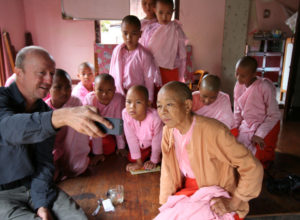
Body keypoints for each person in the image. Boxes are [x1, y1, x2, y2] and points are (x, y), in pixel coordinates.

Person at [0, 46, 111, 220]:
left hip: (37, 186)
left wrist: (41, 204)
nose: (48, 80)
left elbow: (44, 161)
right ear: (19, 73)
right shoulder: (3, 99)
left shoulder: (44, 110)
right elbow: (8, 128)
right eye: (41, 73)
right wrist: (61, 116)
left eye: (51, 73)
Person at [156, 81, 263, 219]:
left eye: (169, 105)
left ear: (188, 105)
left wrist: (234, 203)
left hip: (216, 194)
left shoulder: (213, 131)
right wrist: (165, 205)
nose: (163, 112)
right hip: (188, 192)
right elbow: (168, 171)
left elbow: (253, 167)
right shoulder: (168, 132)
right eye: (159, 106)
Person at [234, 56, 281, 168]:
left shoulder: (264, 86)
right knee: (235, 148)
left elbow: (274, 114)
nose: (239, 79)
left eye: (243, 76)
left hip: (262, 124)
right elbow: (237, 109)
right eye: (237, 74)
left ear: (254, 74)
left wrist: (259, 134)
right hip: (246, 125)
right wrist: (234, 127)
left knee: (254, 158)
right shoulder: (238, 86)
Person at [45, 69, 90, 180]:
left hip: (72, 148)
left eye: (68, 87)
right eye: (58, 87)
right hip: (53, 148)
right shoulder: (44, 109)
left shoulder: (75, 102)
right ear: (48, 89)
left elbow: (78, 134)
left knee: (79, 166)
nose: (64, 92)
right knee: (49, 174)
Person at [109, 15, 161, 103]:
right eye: (125, 33)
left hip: (137, 96)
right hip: (119, 94)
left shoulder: (145, 55)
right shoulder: (117, 51)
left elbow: (149, 79)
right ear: (121, 33)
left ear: (140, 34)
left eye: (133, 33)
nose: (129, 37)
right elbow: (112, 72)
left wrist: (149, 99)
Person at [139, 0, 187, 84]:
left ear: (173, 12)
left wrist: (181, 69)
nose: (164, 17)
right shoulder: (149, 29)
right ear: (155, 10)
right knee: (156, 95)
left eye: (168, 13)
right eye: (161, 13)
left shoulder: (176, 28)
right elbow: (144, 49)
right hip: (154, 68)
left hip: (171, 68)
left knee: (170, 94)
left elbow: (182, 52)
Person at [83, 74, 127, 164]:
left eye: (109, 90)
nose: (104, 94)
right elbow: (93, 125)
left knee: (110, 148)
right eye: (100, 90)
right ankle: (96, 151)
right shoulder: (90, 100)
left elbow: (119, 124)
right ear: (94, 89)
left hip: (112, 128)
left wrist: (121, 147)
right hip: (95, 130)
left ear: (114, 90)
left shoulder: (119, 100)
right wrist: (97, 153)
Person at [122, 85, 163, 171]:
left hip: (155, 144)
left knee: (160, 157)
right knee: (132, 158)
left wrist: (153, 161)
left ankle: (153, 156)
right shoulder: (125, 114)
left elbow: (157, 140)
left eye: (138, 102)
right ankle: (146, 155)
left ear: (148, 103)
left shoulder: (155, 118)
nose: (132, 106)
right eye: (128, 102)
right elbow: (130, 137)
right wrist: (138, 163)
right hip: (141, 144)